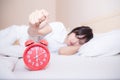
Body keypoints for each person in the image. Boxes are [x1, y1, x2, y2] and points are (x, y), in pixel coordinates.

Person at [28, 9, 93, 55]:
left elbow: (61, 52)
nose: (75, 41)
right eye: (76, 36)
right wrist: (36, 26)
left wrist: (81, 46)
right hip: (24, 34)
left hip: (30, 44)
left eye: (80, 42)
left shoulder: (69, 48)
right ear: (74, 31)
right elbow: (44, 30)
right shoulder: (60, 27)